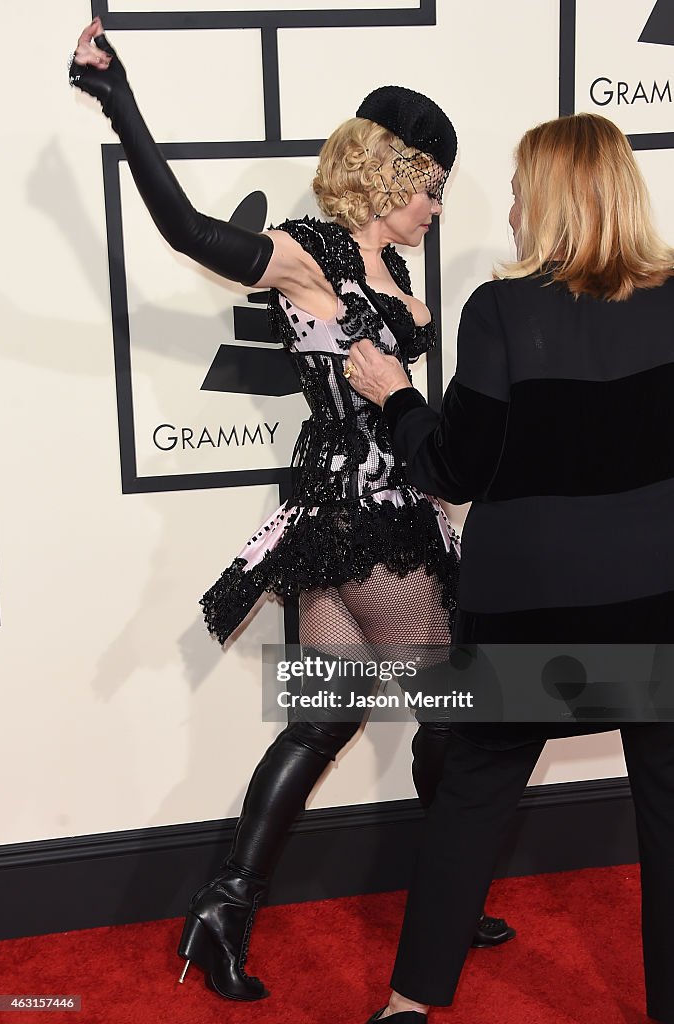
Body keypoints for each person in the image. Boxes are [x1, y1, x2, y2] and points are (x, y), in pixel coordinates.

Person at [68, 18, 515, 1005]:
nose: (440, 205)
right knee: (451, 711)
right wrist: (120, 100)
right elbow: (190, 230)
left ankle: (221, 911)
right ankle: (450, 891)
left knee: (321, 722)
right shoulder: (311, 255)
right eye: (432, 184)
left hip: (335, 517)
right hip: (372, 517)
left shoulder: (399, 273)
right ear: (391, 175)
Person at [347, 112, 674, 1022]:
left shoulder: (502, 309)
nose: (516, 210)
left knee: (474, 796)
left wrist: (396, 396)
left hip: (535, 614)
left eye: (526, 190)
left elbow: (453, 469)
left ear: (558, 199)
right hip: (661, 608)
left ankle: (409, 1006)